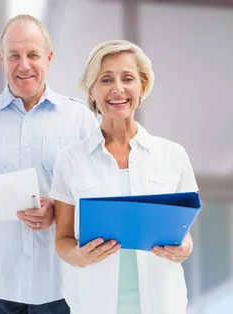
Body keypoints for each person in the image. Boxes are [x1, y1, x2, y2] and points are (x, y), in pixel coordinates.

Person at [0, 14, 98, 313]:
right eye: (14, 55)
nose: (23, 65)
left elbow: (99, 201)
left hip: (61, 286)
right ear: (2, 60)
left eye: (33, 55)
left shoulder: (80, 120)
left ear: (49, 58)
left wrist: (60, 210)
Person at [49, 39, 198, 314]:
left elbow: (184, 234)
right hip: (93, 305)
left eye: (127, 78)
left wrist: (184, 248)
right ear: (91, 90)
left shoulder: (173, 155)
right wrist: (78, 256)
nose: (118, 89)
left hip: (163, 304)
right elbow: (63, 239)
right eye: (106, 80)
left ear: (142, 87)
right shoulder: (70, 160)